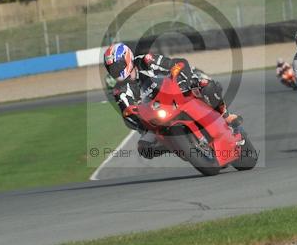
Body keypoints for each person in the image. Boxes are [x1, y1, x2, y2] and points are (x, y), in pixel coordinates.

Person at [103, 42, 241, 159]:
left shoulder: (146, 61)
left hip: (177, 92)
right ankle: (177, 146)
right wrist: (140, 122)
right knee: (144, 148)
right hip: (157, 117)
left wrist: (180, 76)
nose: (115, 70)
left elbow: (174, 63)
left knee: (207, 86)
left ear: (127, 59)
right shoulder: (120, 91)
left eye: (117, 66)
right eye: (111, 68)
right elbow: (127, 114)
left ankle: (226, 116)